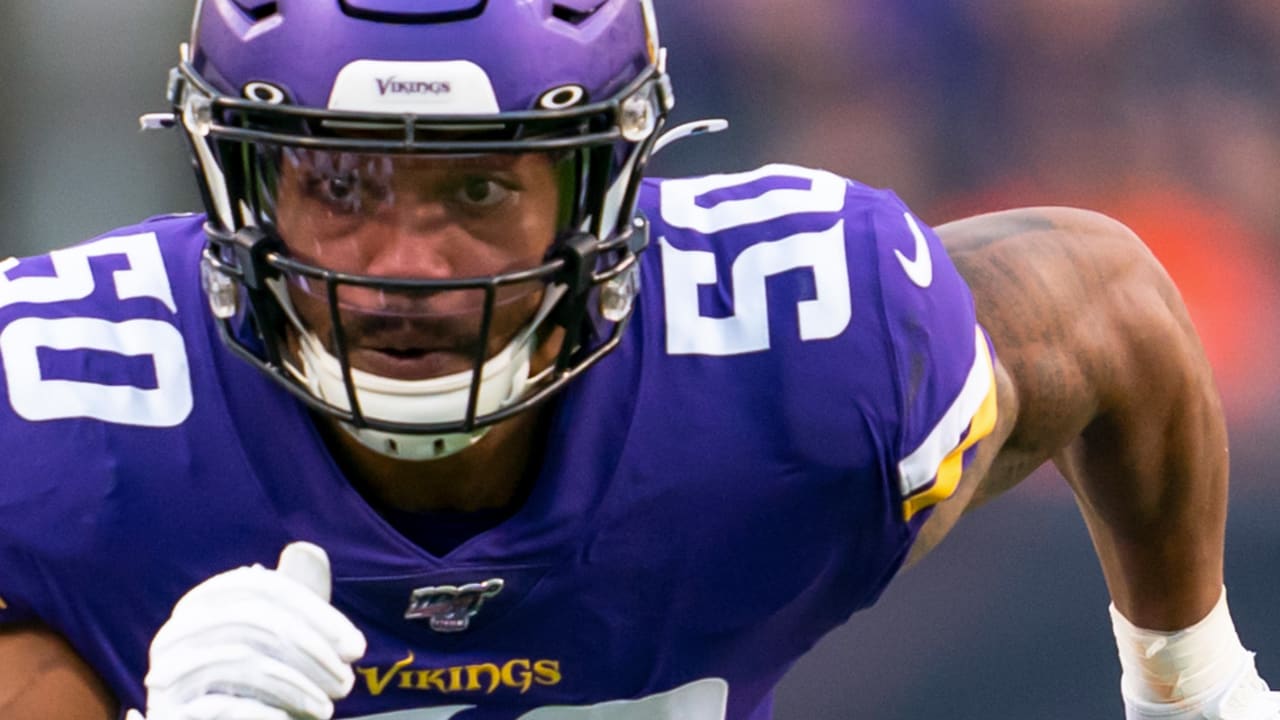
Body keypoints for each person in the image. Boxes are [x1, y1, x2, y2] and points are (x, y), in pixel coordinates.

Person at [0, 1, 1274, 719]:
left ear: (607, 188)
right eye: (338, 181)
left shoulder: (802, 367)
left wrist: (1190, 679)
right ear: (242, 181)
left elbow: (1106, 305)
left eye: (482, 185)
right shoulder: (67, 438)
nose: (402, 260)